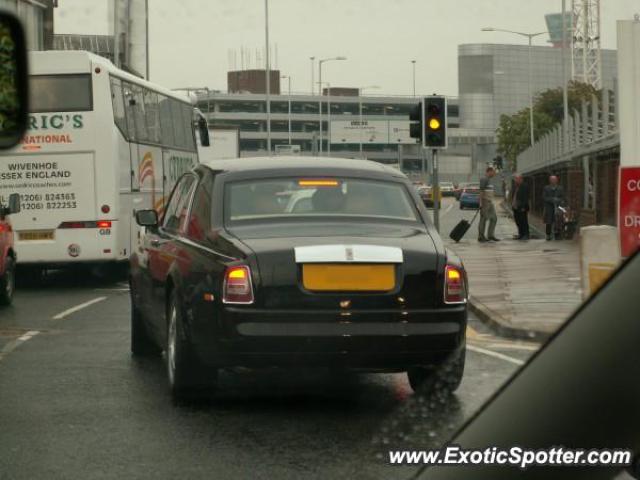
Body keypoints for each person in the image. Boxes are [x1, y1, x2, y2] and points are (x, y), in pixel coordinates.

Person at [478, 166, 499, 242]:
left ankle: (490, 235)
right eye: (493, 172)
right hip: (485, 202)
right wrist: (480, 203)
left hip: (490, 202)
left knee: (494, 218)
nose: (494, 173)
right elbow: (481, 192)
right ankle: (481, 236)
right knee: (483, 219)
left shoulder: (489, 180)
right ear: (489, 171)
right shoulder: (484, 179)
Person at [543, 175, 565, 241]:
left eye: (554, 179)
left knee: (558, 221)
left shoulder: (560, 188)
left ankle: (557, 234)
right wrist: (552, 199)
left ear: (557, 180)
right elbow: (544, 197)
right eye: (552, 180)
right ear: (550, 180)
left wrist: (558, 200)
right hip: (549, 207)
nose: (553, 181)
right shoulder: (546, 188)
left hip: (558, 207)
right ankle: (548, 235)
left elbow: (563, 197)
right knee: (549, 221)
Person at [511, 174, 530, 240]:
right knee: (518, 221)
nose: (516, 180)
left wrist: (523, 207)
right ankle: (521, 234)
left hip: (522, 207)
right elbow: (513, 195)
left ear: (521, 179)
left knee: (523, 221)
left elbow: (525, 198)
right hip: (515, 207)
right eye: (515, 179)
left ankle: (526, 234)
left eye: (517, 179)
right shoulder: (515, 186)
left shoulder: (525, 186)